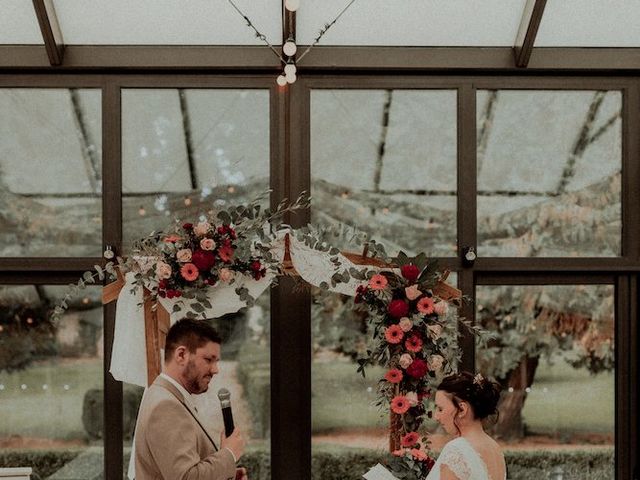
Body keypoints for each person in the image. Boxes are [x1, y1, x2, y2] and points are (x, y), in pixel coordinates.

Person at [134, 318, 248, 480]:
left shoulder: (168, 395)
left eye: (216, 362)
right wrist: (229, 454)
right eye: (208, 360)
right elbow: (186, 477)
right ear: (181, 355)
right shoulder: (166, 406)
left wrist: (224, 473)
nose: (215, 370)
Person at [426, 372, 505, 480]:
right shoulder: (495, 449)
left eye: (440, 409)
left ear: (462, 409)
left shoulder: (456, 449)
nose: (436, 416)